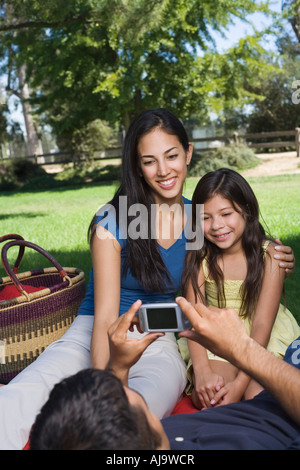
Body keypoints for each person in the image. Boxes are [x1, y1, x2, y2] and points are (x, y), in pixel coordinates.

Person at [0, 110, 295, 451]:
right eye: (150, 161)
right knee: (22, 397)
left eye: (171, 156)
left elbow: (241, 242)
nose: (164, 170)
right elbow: (106, 320)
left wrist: (274, 253)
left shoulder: (200, 218)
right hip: (94, 330)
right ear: (138, 166)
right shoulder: (111, 221)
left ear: (187, 153)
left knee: (136, 416)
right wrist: (104, 385)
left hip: (161, 336)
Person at [29, 299, 300, 450]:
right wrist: (242, 348)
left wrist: (119, 368)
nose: (115, 383)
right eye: (123, 394)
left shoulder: (140, 440)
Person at [178, 168, 300, 410]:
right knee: (212, 395)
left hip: (260, 338)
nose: (217, 226)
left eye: (226, 213)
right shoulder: (198, 258)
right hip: (214, 336)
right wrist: (201, 372)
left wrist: (241, 384)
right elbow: (193, 318)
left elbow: (263, 326)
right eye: (206, 217)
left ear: (246, 209)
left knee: (259, 396)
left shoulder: (271, 256)